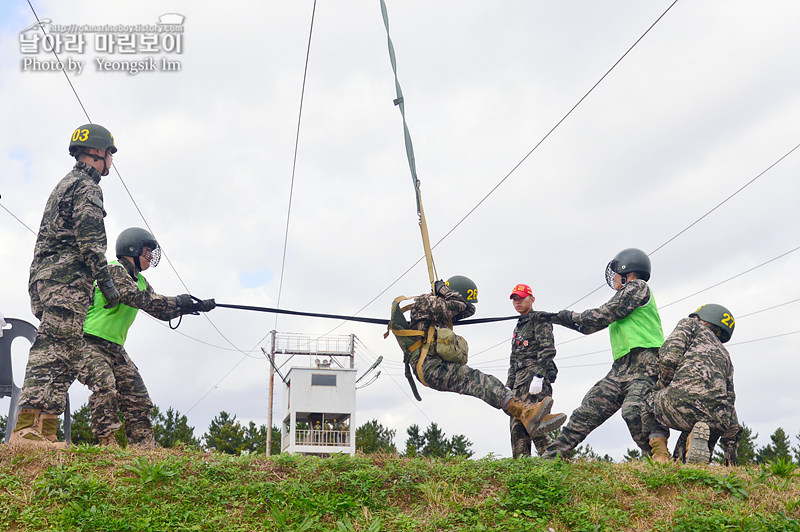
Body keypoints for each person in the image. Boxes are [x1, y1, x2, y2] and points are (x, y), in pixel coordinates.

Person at [10, 124, 121, 449]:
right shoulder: (86, 187)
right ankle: (27, 428)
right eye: (111, 153)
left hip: (53, 280)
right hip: (65, 282)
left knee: (67, 352)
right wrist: (107, 284)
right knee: (50, 350)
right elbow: (90, 241)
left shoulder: (66, 184)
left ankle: (45, 429)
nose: (111, 160)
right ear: (99, 152)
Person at [78, 227, 216, 448]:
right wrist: (178, 301)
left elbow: (159, 309)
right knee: (105, 386)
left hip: (115, 348)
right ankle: (106, 443)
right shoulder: (114, 271)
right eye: (146, 249)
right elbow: (137, 298)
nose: (150, 255)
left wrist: (192, 307)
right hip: (88, 342)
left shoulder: (141, 282)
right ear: (131, 249)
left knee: (138, 399)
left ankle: (143, 449)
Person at [402, 275, 566, 441]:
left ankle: (525, 413)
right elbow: (460, 304)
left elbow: (468, 309)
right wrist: (444, 290)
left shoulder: (440, 307)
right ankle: (525, 411)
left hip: (437, 365)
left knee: (486, 381)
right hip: (430, 367)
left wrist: (445, 292)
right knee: (479, 381)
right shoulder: (426, 303)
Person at [541, 248, 665, 459]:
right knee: (588, 410)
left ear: (628, 271)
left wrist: (569, 316)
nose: (614, 277)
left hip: (647, 364)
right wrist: (554, 318)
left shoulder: (639, 287)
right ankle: (551, 458)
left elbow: (603, 314)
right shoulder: (624, 297)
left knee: (634, 411)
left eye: (617, 272)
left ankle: (657, 458)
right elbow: (589, 326)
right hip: (621, 368)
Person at [641, 303, 739, 464]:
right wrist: (731, 461)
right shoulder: (725, 355)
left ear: (703, 319)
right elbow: (730, 402)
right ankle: (690, 452)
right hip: (716, 418)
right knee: (686, 454)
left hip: (683, 402)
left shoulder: (690, 325)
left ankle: (660, 455)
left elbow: (668, 357)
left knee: (646, 400)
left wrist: (664, 385)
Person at [507, 283, 558, 457]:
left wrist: (538, 377)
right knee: (517, 427)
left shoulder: (539, 319)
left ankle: (554, 462)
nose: (517, 302)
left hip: (534, 379)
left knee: (535, 426)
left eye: (521, 298)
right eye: (515, 299)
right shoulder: (519, 325)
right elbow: (514, 357)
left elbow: (547, 350)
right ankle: (522, 469)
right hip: (519, 383)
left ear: (532, 299)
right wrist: (509, 385)